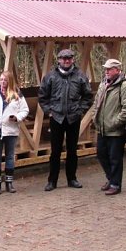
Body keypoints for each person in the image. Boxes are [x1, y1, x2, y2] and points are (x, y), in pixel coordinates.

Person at [38, 48, 94, 191]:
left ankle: (72, 178)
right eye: (63, 58)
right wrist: (49, 111)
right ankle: (52, 181)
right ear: (59, 60)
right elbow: (42, 96)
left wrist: (80, 110)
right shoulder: (50, 77)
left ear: (73, 59)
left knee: (72, 150)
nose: (66, 61)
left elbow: (88, 96)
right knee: (55, 151)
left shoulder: (80, 76)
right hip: (56, 118)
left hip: (73, 118)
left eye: (69, 58)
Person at [0, 70, 30, 194]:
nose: (2, 82)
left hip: (10, 128)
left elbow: (25, 110)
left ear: (10, 81)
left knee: (9, 156)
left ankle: (9, 183)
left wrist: (17, 117)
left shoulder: (17, 94)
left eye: (5, 80)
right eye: (1, 79)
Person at [92, 59, 126, 195]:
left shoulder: (125, 85)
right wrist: (95, 117)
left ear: (117, 70)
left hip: (115, 130)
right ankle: (111, 179)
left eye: (109, 69)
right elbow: (96, 103)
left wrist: (115, 123)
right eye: (105, 69)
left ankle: (116, 184)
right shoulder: (103, 84)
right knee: (101, 154)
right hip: (102, 128)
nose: (106, 71)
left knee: (115, 158)